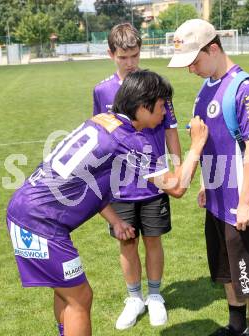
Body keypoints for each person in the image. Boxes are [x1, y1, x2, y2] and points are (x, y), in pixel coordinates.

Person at [6, 70, 208, 336]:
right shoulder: (130, 141)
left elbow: (88, 180)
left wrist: (114, 219)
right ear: (141, 106)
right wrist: (196, 144)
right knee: (80, 298)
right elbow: (177, 187)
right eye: (161, 106)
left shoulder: (102, 120)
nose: (164, 113)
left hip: (25, 209)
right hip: (40, 222)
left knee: (65, 291)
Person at [168, 19, 249, 336]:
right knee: (227, 270)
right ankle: (235, 325)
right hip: (216, 199)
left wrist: (245, 203)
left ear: (213, 49)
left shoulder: (244, 89)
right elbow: (212, 139)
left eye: (194, 61)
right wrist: (203, 183)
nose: (191, 69)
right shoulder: (206, 87)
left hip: (239, 205)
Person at [93, 23, 181, 329]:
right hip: (119, 185)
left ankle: (155, 296)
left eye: (135, 55)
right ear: (111, 55)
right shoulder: (101, 90)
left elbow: (170, 129)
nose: (130, 63)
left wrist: (178, 165)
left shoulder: (155, 86)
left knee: (153, 240)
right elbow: (100, 132)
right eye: (123, 57)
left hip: (154, 181)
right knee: (127, 243)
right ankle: (134, 298)